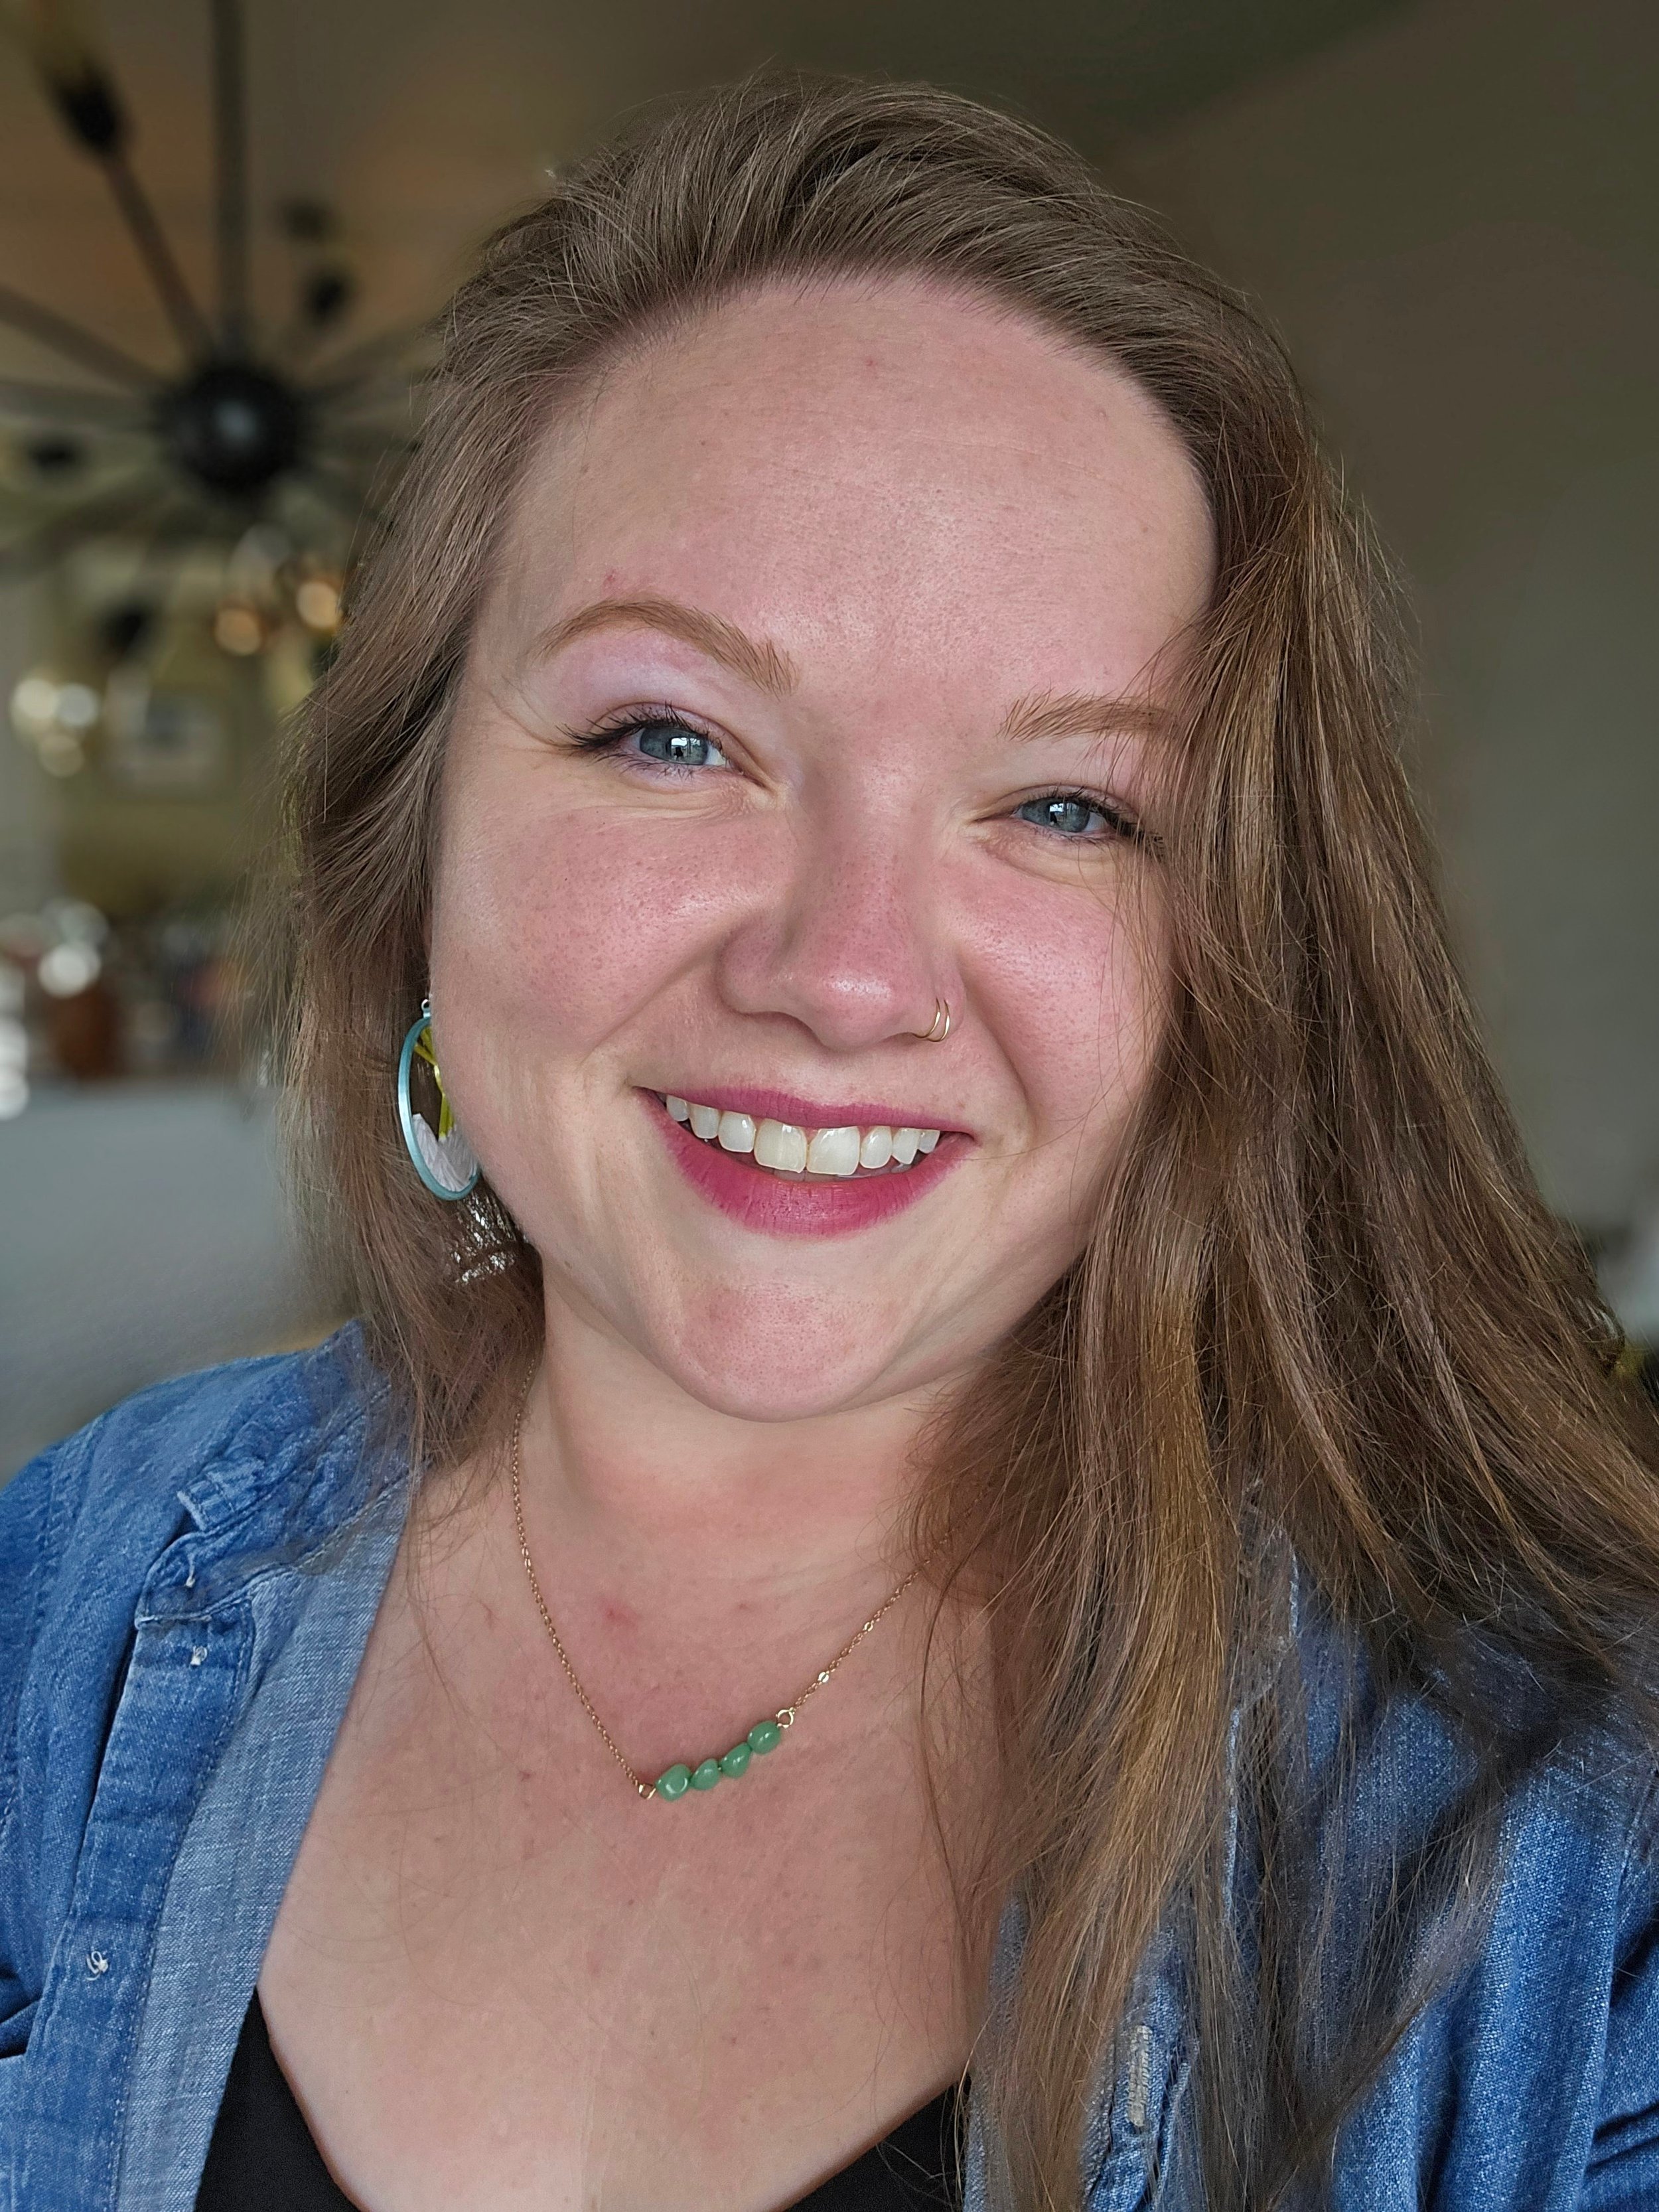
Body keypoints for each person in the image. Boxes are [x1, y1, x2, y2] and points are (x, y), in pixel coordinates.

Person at [3, 74, 1658, 2212]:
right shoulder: (80, 1600)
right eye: (668, 736)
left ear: (1226, 959)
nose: (849, 971)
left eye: (1067, 804)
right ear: (408, 842)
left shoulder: (1562, 1848)